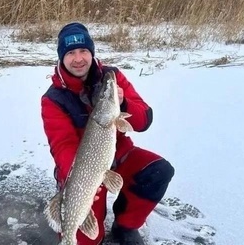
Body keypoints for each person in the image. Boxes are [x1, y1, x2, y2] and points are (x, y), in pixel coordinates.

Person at [40, 22, 175, 245]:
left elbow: (144, 120)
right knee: (86, 239)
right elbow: (62, 145)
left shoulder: (110, 77)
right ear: (61, 58)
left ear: (91, 52)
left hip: (119, 154)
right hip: (81, 169)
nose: (79, 58)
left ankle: (125, 226)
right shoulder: (53, 99)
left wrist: (124, 104)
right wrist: (83, 182)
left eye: (84, 50)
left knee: (159, 171)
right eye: (71, 53)